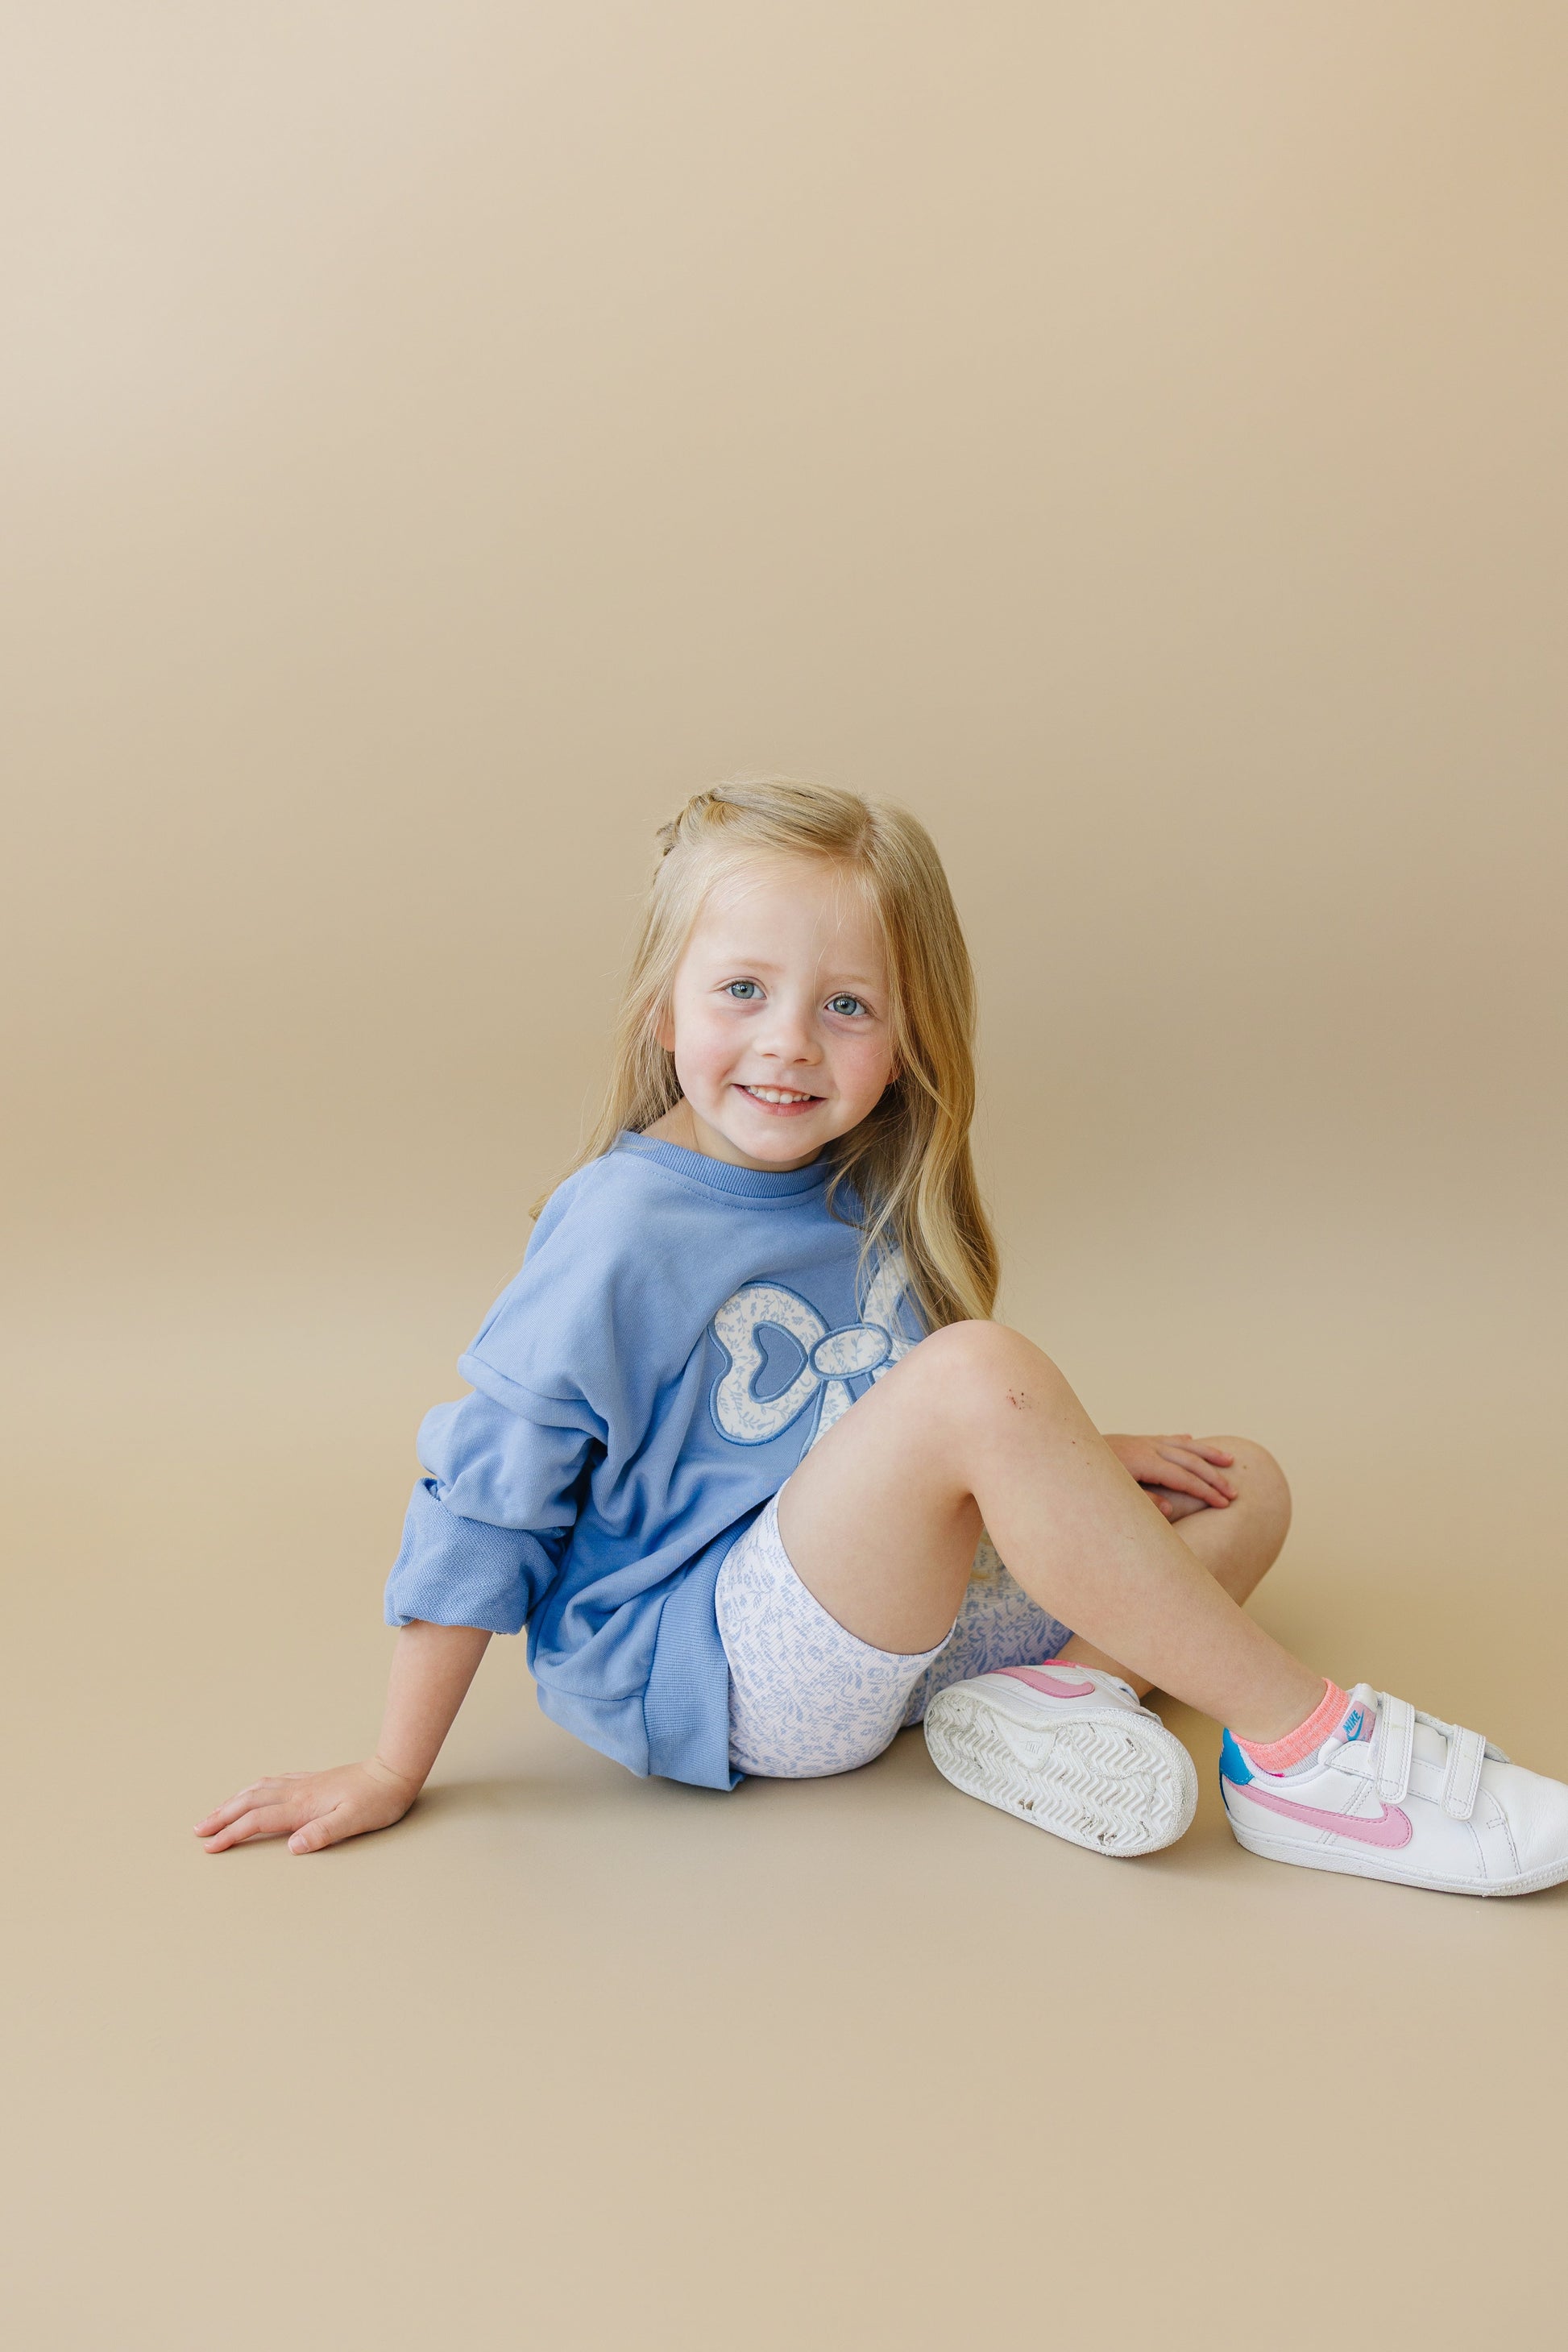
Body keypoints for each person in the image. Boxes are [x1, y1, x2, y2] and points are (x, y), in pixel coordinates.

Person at [196, 778, 1568, 1894]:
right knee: (975, 1373)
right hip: (722, 1664)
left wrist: (1083, 1460)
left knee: (1238, 1483)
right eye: (741, 991)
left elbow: (885, 1443)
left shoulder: (863, 1182)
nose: (788, 1043)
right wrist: (392, 1765)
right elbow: (486, 1498)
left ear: (909, 1037)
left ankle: (1056, 1704)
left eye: (845, 1005)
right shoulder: (618, 1227)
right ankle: (1306, 1754)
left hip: (894, 1622)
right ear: (663, 1004)